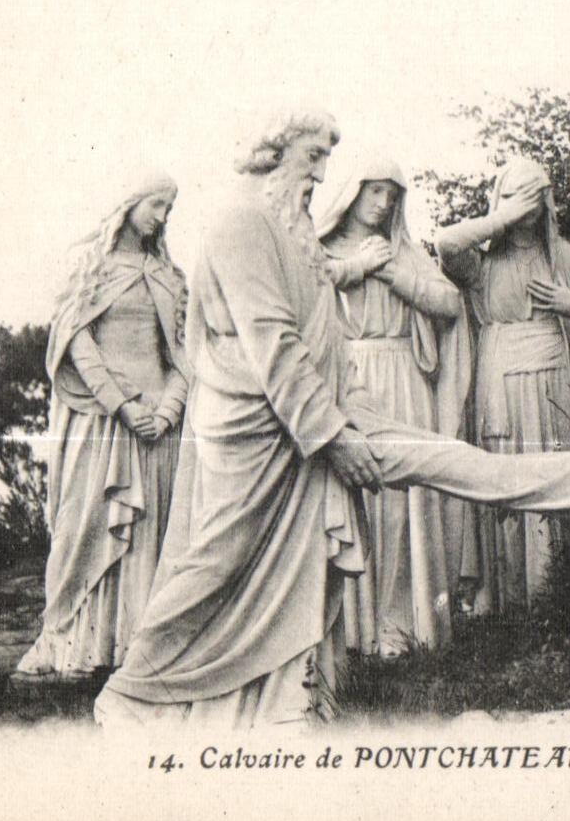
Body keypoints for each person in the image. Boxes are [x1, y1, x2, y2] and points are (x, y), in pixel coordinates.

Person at [95, 109, 382, 728]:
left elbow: (322, 337)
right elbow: (269, 340)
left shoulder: (293, 231)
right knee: (217, 563)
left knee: (290, 571)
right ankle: (136, 692)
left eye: (327, 160)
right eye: (313, 158)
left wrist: (346, 414)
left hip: (292, 429)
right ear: (275, 156)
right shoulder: (241, 222)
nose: (322, 175)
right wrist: (330, 435)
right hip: (249, 430)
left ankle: (279, 706)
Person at [14, 170, 189, 681]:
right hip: (102, 420)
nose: (161, 218)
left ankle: (137, 651)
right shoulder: (91, 270)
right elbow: (77, 347)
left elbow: (182, 354)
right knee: (84, 528)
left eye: (169, 210)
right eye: (156, 205)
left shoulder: (171, 277)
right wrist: (123, 405)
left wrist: (167, 409)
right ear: (129, 203)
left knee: (148, 539)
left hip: (158, 425)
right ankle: (77, 646)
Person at [435, 157, 570, 616]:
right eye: (516, 195)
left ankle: (558, 594)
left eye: (534, 195)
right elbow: (445, 243)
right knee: (504, 474)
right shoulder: (483, 265)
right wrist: (501, 216)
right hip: (500, 377)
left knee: (552, 468)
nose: (527, 206)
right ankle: (512, 601)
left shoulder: (562, 256)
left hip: (551, 374)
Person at [315, 155, 469, 656]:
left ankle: (406, 628)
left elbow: (449, 304)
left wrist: (393, 277)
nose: (383, 204)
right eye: (374, 191)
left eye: (392, 195)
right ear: (352, 192)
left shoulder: (403, 251)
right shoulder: (320, 249)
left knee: (405, 504)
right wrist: (356, 267)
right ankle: (356, 632)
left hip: (403, 379)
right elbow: (309, 289)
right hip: (349, 376)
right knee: (359, 499)